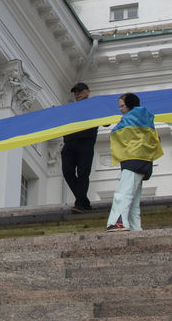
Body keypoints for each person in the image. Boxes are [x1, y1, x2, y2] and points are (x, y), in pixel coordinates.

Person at [106, 93, 163, 232]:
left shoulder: (130, 118)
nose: (120, 109)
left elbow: (116, 132)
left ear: (129, 104)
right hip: (144, 161)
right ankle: (135, 228)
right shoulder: (147, 118)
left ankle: (118, 221)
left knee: (123, 192)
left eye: (122, 105)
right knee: (134, 199)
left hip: (132, 160)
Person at [60, 83, 98, 211]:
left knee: (83, 173)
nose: (77, 94)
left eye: (80, 91)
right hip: (69, 143)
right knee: (67, 172)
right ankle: (83, 201)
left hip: (85, 143)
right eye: (75, 92)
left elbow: (106, 121)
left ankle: (81, 203)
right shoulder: (69, 108)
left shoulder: (94, 106)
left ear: (88, 91)